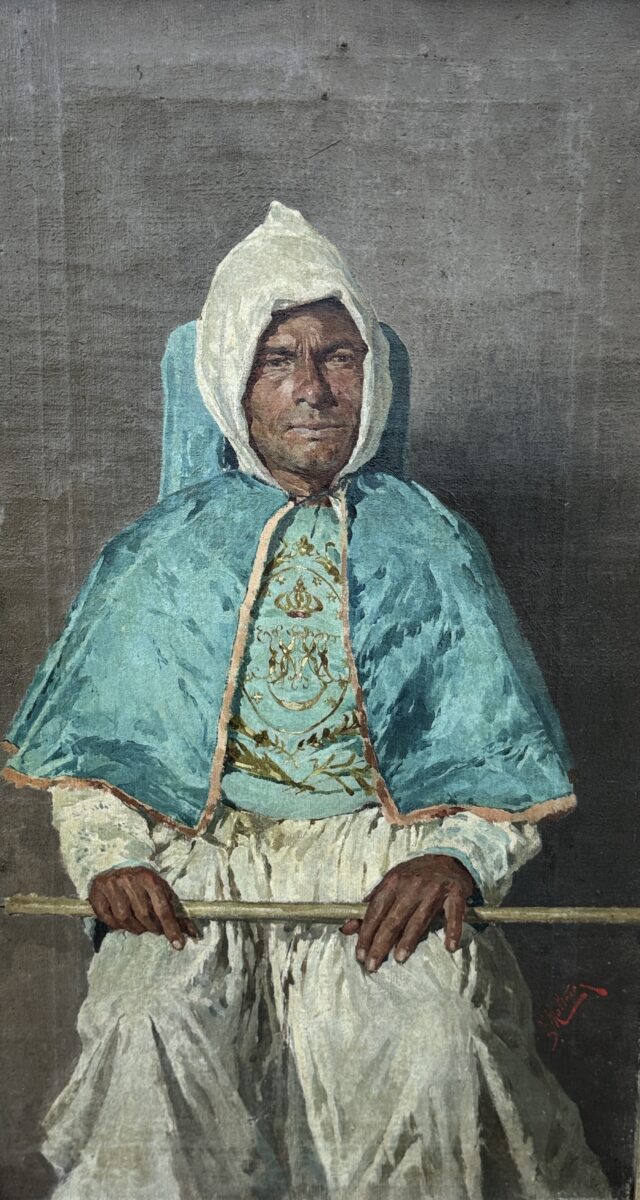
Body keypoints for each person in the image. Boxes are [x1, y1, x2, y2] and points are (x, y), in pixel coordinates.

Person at [2, 202, 612, 1200]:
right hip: (201, 868)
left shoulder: (433, 545)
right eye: (278, 358)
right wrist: (111, 859)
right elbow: (95, 763)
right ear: (227, 379)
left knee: (433, 1038)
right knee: (148, 1025)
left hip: (380, 866)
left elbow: (496, 764)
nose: (315, 389)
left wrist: (455, 856)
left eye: (340, 356)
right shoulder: (159, 552)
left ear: (372, 375)